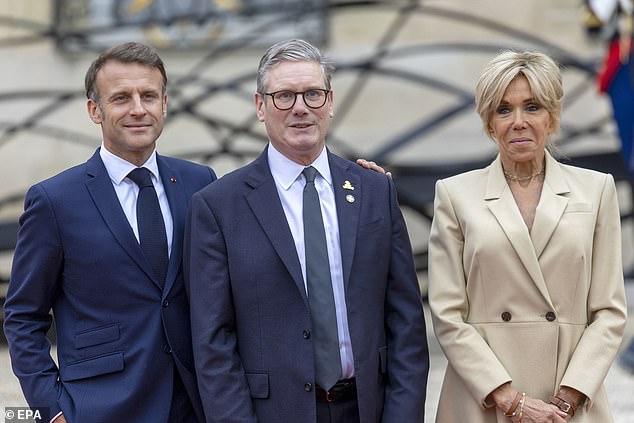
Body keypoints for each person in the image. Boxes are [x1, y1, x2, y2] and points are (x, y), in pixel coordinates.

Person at [184, 38, 429, 423]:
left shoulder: (373, 191)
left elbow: (407, 324)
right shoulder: (218, 206)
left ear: (330, 103)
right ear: (260, 107)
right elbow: (213, 343)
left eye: (313, 94)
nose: (300, 108)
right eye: (284, 96)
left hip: (368, 408)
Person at [3, 42, 216, 422]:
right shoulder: (54, 201)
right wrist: (52, 410)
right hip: (101, 407)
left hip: (195, 405)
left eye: (149, 95)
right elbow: (22, 315)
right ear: (94, 110)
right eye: (121, 98)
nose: (138, 109)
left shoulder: (200, 183)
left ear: (164, 104)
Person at [428, 50, 628, 422]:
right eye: (504, 110)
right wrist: (509, 399)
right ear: (489, 122)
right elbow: (447, 314)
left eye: (532, 107)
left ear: (552, 116)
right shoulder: (454, 194)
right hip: (483, 399)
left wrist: (567, 398)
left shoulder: (596, 190)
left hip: (569, 402)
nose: (518, 122)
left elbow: (610, 312)